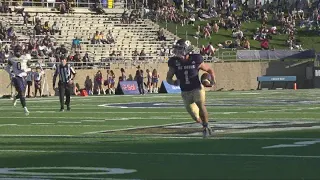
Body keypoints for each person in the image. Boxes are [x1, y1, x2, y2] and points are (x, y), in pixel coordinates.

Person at [166, 39, 216, 138]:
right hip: (185, 91)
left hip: (197, 88)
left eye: (180, 49)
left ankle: (206, 126)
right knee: (195, 116)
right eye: (177, 49)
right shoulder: (174, 62)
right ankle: (203, 124)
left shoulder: (196, 59)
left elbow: (209, 69)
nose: (177, 51)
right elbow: (168, 78)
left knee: (200, 104)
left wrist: (213, 80)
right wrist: (174, 82)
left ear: (186, 49)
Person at [5, 47, 30, 115]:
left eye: (19, 51)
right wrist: (11, 73)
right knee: (21, 93)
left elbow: (29, 66)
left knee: (22, 93)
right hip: (17, 77)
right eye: (17, 51)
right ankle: (25, 108)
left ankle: (15, 97)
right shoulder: (12, 59)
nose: (18, 52)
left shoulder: (25, 58)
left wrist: (27, 70)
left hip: (24, 77)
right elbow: (6, 68)